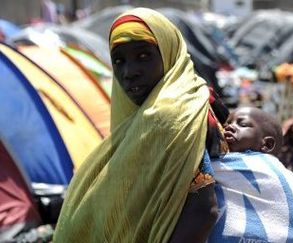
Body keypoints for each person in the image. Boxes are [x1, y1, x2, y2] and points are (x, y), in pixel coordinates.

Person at [54, 8, 229, 242]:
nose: (129, 72)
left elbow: (203, 211)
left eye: (144, 56)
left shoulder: (173, 114)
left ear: (168, 53)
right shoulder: (188, 98)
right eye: (119, 61)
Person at [208, 107, 293, 242]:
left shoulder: (268, 170)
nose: (229, 127)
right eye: (226, 124)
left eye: (242, 124)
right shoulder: (224, 162)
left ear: (266, 144)